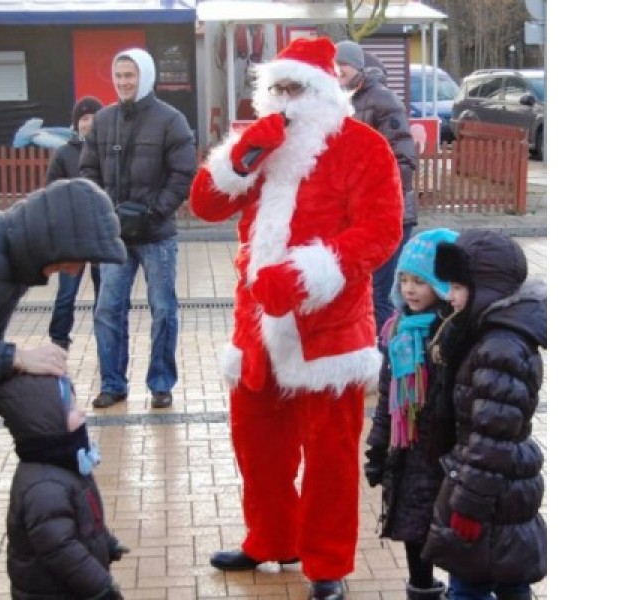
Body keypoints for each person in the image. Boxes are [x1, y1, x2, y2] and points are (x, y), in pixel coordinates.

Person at [189, 36, 403, 600]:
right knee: (256, 446)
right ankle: (270, 539)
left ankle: (326, 562)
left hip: (326, 329)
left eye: (297, 88)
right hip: (257, 327)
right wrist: (243, 155)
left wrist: (309, 274)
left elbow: (381, 232)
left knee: (330, 454)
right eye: (277, 88)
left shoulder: (364, 146)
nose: (285, 100)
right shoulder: (260, 144)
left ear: (326, 92)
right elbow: (206, 205)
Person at [0, 178, 127, 600]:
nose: (76, 270)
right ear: (57, 239)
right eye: (79, 256)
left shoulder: (13, 266)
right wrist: (15, 356)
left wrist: (47, 410)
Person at [421, 230, 547, 600]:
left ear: (486, 289)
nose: (450, 296)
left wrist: (470, 507)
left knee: (469, 586)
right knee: (510, 580)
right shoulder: (488, 335)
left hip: (488, 493)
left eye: (458, 287)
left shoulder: (499, 347)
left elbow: (491, 439)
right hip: (500, 488)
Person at [80, 47, 197, 410]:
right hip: (115, 237)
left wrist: (153, 212)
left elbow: (183, 174)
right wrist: (105, 211)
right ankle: (112, 383)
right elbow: (88, 171)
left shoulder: (171, 120)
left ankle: (161, 383)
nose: (123, 83)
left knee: (163, 309)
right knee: (107, 310)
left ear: (144, 76)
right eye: (118, 76)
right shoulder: (103, 120)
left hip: (156, 234)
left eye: (129, 76)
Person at [363, 228, 459, 600]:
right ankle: (421, 589)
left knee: (447, 530)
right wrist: (377, 448)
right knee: (413, 528)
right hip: (408, 452)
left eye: (419, 281)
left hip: (443, 453)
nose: (409, 289)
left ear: (441, 283)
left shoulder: (451, 333)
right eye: (404, 279)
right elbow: (389, 398)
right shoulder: (398, 331)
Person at [0, 374, 129, 600]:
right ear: (46, 421)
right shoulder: (44, 486)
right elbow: (61, 550)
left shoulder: (63, 464)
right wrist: (102, 587)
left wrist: (105, 542)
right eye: (72, 408)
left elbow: (82, 520)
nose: (81, 413)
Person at [335, 40, 419, 332]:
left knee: (381, 296)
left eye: (342, 65)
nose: (337, 71)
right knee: (364, 294)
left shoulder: (383, 100)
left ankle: (387, 368)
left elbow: (404, 160)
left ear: (358, 68)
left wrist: (374, 197)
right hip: (357, 216)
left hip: (389, 216)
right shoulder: (340, 103)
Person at [46, 95, 104, 350]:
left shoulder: (111, 150)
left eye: (93, 117)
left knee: (104, 291)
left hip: (103, 232)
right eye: (83, 118)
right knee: (67, 291)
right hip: (72, 234)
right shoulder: (64, 153)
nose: (88, 123)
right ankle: (59, 338)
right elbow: (51, 191)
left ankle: (104, 336)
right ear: (76, 123)